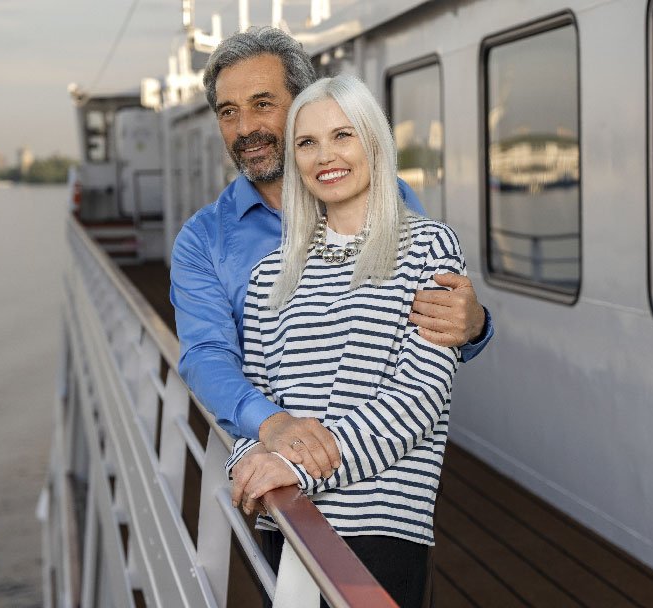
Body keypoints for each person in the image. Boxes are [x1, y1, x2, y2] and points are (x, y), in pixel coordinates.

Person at [170, 26, 493, 479]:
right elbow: (206, 355)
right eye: (229, 112)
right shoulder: (203, 240)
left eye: (262, 104)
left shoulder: (391, 200)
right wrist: (270, 425)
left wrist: (473, 325)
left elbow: (421, 351)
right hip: (274, 472)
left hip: (383, 473)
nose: (245, 128)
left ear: (303, 104)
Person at [227, 73, 463, 608]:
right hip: (287, 518)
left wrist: (295, 466)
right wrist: (248, 459)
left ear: (373, 141)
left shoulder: (428, 248)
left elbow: (419, 398)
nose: (325, 156)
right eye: (307, 142)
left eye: (342, 135)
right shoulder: (270, 275)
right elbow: (256, 397)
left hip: (379, 529)